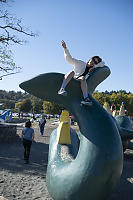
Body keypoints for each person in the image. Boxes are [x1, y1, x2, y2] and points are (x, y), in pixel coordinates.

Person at [58, 40, 105, 105]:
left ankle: (86, 98)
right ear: (90, 59)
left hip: (79, 81)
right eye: (93, 60)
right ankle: (62, 89)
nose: (93, 62)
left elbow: (103, 64)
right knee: (72, 72)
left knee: (83, 78)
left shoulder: (92, 68)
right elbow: (69, 59)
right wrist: (65, 48)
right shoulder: (80, 63)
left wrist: (95, 66)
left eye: (95, 62)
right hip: (72, 78)